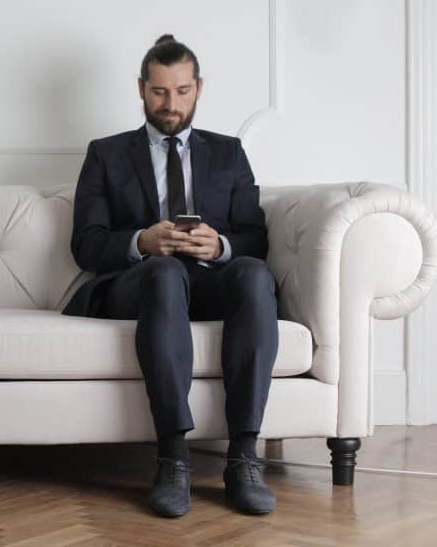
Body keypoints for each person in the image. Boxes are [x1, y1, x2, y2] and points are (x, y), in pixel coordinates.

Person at [61, 34, 280, 517]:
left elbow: (254, 236)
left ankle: (243, 456)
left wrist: (220, 245)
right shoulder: (106, 153)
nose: (170, 104)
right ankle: (173, 458)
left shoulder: (229, 153)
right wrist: (141, 241)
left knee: (252, 273)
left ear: (199, 88)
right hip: (141, 284)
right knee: (162, 273)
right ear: (141, 89)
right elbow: (85, 243)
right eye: (159, 91)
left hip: (208, 281)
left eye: (182, 91)